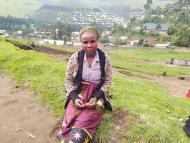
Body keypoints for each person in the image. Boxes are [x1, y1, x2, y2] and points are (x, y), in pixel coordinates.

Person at [58, 26, 112, 143]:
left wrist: (96, 97)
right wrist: (74, 97)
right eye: (85, 42)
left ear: (98, 41)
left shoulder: (105, 59)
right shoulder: (75, 58)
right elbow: (68, 80)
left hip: (96, 95)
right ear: (80, 42)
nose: (89, 45)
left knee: (85, 122)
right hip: (79, 94)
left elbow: (107, 81)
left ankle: (76, 139)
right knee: (72, 116)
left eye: (92, 41)